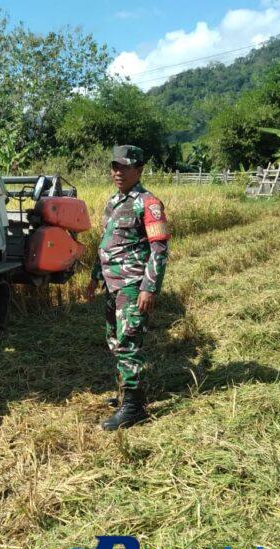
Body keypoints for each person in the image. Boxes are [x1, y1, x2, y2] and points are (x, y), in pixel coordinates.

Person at [85, 145, 170, 431]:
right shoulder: (113, 202)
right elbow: (106, 243)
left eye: (125, 166)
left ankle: (134, 408)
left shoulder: (148, 203)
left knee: (128, 342)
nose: (118, 172)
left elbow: (159, 249)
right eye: (115, 166)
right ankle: (125, 392)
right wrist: (95, 277)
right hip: (112, 285)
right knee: (114, 340)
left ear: (139, 169)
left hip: (132, 286)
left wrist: (149, 288)